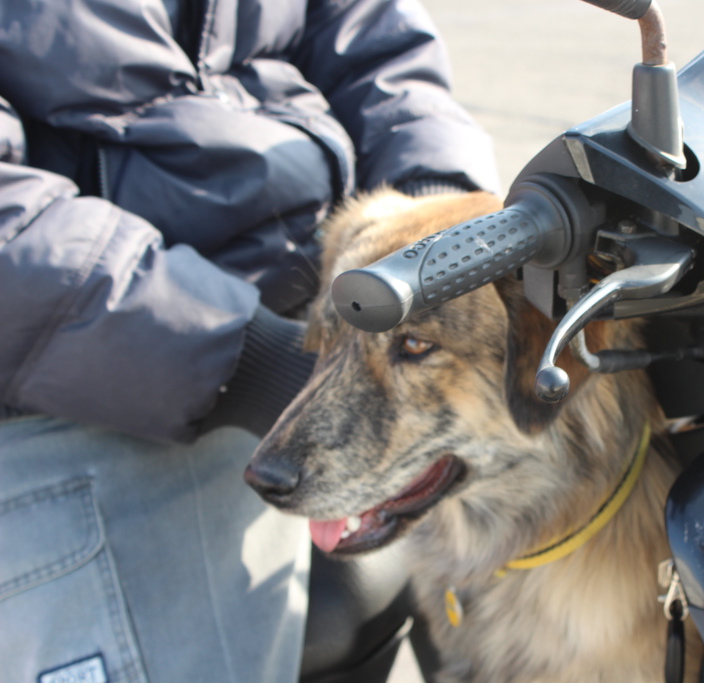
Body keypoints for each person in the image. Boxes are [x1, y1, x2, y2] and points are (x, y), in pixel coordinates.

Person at [0, 1, 499, 682]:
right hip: (72, 386)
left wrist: (438, 227)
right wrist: (247, 356)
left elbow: (372, 37)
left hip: (330, 324)